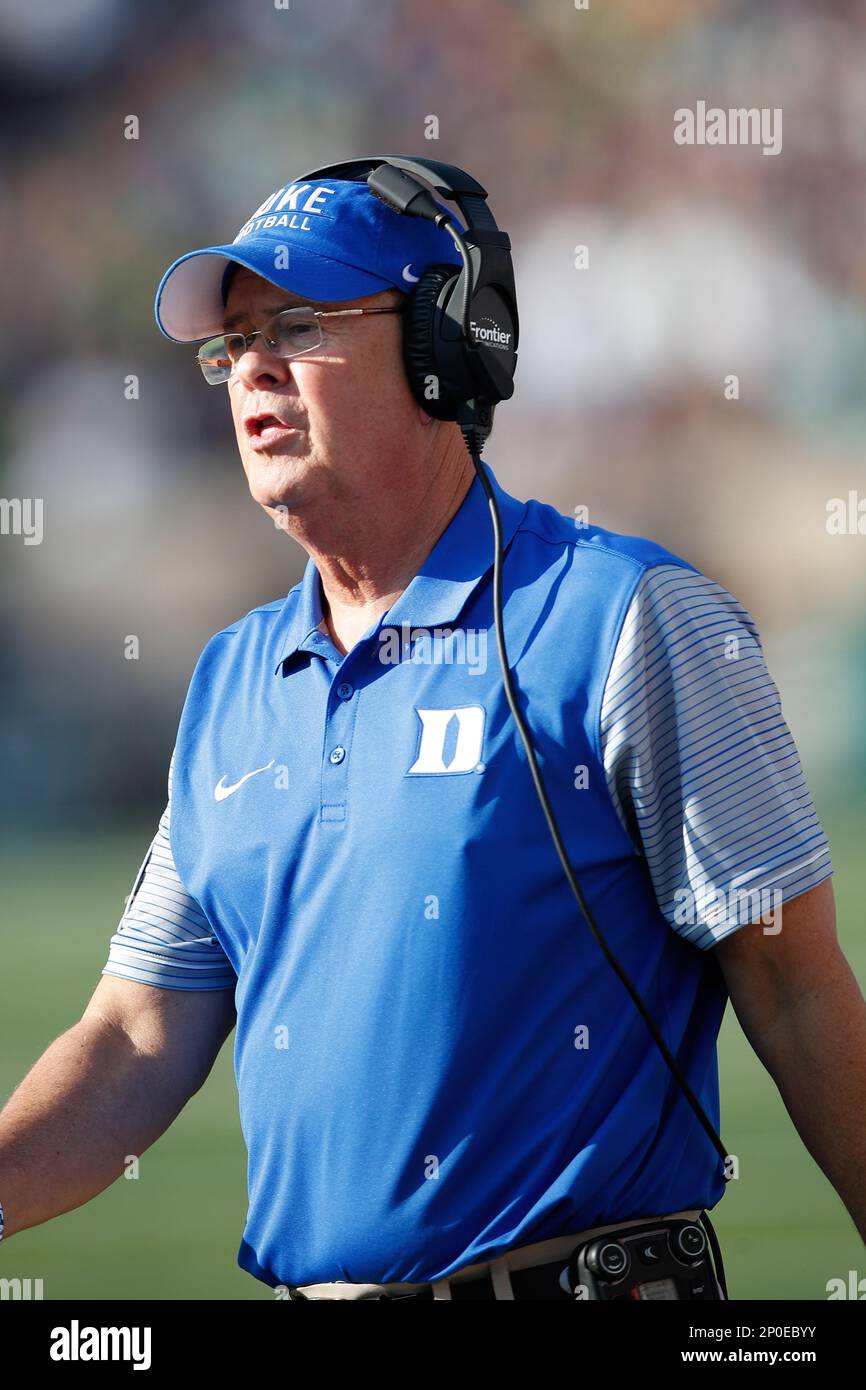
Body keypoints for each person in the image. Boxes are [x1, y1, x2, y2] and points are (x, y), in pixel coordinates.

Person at [1, 170, 863, 1302]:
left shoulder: (620, 618)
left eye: (298, 326)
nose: (250, 367)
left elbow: (794, 988)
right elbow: (134, 1038)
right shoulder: (230, 682)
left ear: (441, 347)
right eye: (232, 344)